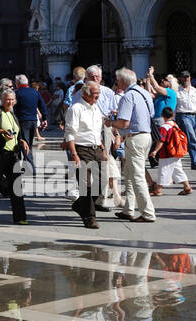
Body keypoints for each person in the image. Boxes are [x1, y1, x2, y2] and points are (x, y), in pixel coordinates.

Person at [111, 68, 156, 222]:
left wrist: (110, 122)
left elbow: (124, 122)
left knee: (137, 177)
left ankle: (148, 213)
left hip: (135, 137)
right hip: (146, 136)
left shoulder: (127, 96)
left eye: (118, 80)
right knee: (130, 174)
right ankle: (128, 209)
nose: (117, 83)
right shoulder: (144, 93)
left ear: (123, 81)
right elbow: (151, 115)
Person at [0, 88, 30, 224]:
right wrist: (1, 130)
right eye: (7, 99)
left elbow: (16, 132)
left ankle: (20, 217)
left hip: (13, 154)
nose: (10, 102)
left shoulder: (13, 114)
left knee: (16, 186)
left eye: (12, 99)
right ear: (2, 100)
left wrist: (22, 140)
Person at [64, 81, 107, 229]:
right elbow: (70, 133)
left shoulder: (96, 108)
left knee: (102, 181)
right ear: (85, 94)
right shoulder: (75, 109)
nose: (97, 97)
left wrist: (102, 148)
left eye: (98, 95)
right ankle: (90, 217)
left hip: (96, 149)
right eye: (95, 95)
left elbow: (97, 131)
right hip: (81, 149)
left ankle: (79, 205)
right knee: (86, 185)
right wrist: (74, 153)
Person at [149, 106, 193, 198]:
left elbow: (161, 140)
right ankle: (187, 187)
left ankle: (158, 190)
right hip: (176, 151)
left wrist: (155, 151)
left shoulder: (164, 127)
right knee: (177, 170)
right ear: (172, 115)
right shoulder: (174, 124)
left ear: (162, 115)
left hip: (167, 153)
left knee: (163, 170)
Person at [14, 73, 48, 172]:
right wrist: (44, 118)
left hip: (22, 121)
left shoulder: (17, 93)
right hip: (33, 120)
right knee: (29, 144)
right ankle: (26, 165)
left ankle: (30, 168)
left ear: (17, 83)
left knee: (24, 144)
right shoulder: (35, 92)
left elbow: (14, 107)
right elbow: (42, 105)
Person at [174, 72, 196, 170]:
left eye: (188, 77)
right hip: (183, 115)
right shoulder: (177, 90)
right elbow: (174, 105)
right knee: (192, 139)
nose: (186, 79)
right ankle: (195, 162)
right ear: (180, 78)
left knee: (185, 140)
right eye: (184, 77)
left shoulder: (194, 90)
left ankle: (175, 160)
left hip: (194, 116)